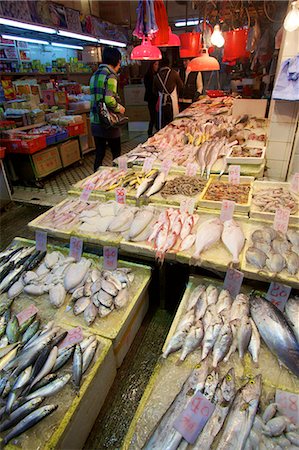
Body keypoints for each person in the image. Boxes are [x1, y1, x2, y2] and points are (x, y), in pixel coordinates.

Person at [90, 47, 125, 172]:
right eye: (119, 62)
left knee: (99, 153)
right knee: (117, 154)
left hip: (95, 121)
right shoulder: (111, 76)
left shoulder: (94, 75)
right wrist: (119, 108)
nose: (120, 66)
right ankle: (119, 178)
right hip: (109, 122)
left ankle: (95, 181)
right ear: (115, 61)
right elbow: (109, 99)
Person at [153, 56, 183, 129]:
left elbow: (154, 91)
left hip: (162, 104)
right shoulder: (174, 74)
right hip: (172, 103)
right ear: (169, 64)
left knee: (163, 126)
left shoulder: (156, 76)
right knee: (174, 125)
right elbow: (181, 86)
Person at [144, 61, 159, 137]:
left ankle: (152, 132)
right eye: (156, 64)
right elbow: (150, 88)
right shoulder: (149, 76)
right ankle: (150, 132)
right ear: (152, 65)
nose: (157, 66)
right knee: (153, 116)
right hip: (151, 98)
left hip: (154, 98)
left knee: (154, 116)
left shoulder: (155, 75)